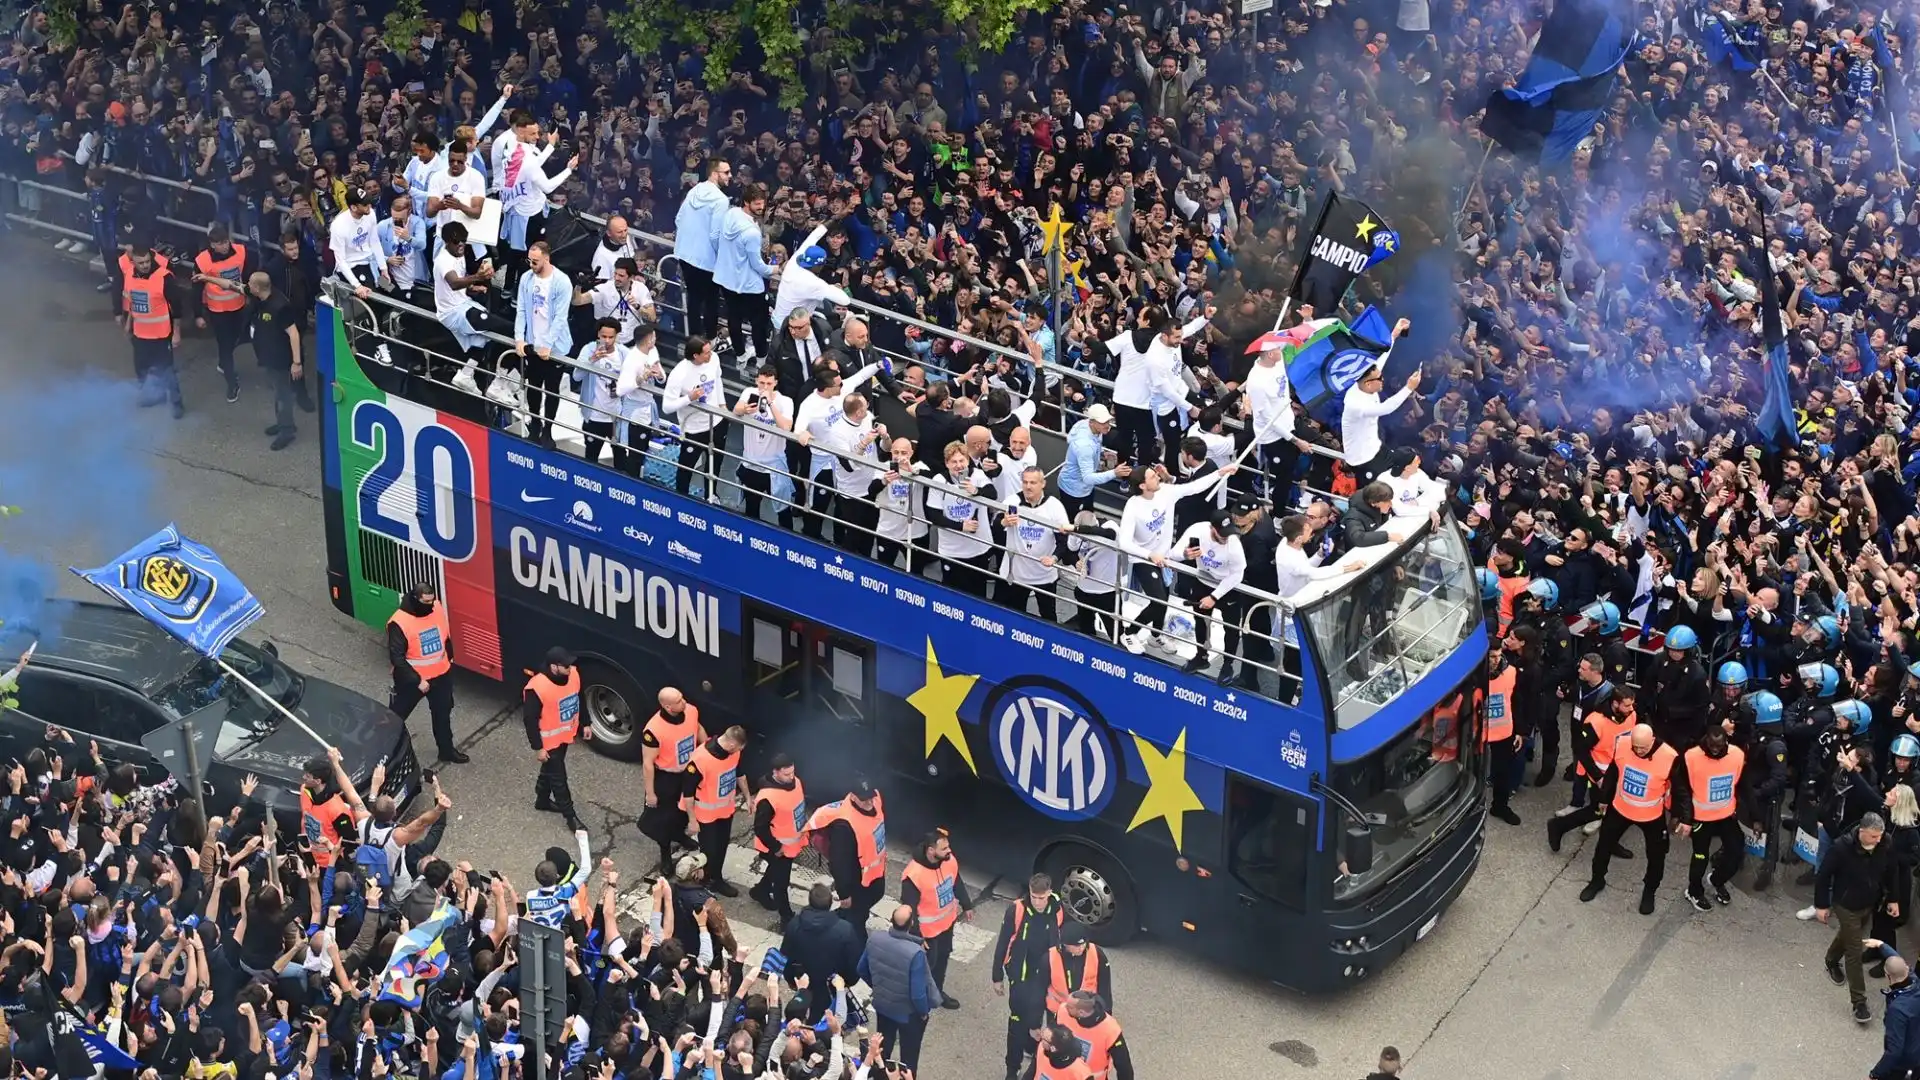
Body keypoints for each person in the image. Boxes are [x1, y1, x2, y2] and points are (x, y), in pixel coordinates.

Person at [1577, 724, 1688, 916]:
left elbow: (1681, 790)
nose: (1638, 751)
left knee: (1656, 857)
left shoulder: (1669, 757)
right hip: (1620, 809)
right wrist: (1604, 798)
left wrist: (1685, 818)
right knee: (1603, 846)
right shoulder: (1623, 744)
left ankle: (1649, 892)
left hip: (1651, 816)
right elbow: (1613, 772)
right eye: (1635, 747)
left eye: (1643, 748)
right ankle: (1597, 881)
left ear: (1652, 740)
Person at [1817, 813, 1903, 1025]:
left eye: (1880, 836)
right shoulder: (1841, 848)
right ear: (1862, 831)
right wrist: (1821, 905)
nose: (1878, 840)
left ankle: (1830, 960)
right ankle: (1859, 1002)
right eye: (1873, 836)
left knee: (1848, 934)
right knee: (1854, 950)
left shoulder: (1885, 844)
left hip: (1869, 902)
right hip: (1845, 904)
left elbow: (1892, 871)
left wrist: (1893, 899)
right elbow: (1824, 874)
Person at [995, 873, 1067, 1080]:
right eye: (1034, 897)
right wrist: (997, 976)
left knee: (1046, 1020)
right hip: (1022, 977)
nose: (1037, 902)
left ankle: (1034, 1050)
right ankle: (1012, 1068)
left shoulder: (1058, 910)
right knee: (1017, 1024)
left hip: (1047, 977)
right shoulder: (1017, 910)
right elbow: (1002, 944)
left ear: (1050, 893)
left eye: (1041, 898)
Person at [385, 582, 466, 764]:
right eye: (426, 601)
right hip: (413, 681)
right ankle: (384, 753)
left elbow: (444, 633)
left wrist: (449, 656)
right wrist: (417, 680)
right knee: (395, 718)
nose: (430, 605)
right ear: (415, 599)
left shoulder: (436, 607)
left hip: (441, 675)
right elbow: (397, 658)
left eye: (431, 600)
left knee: (442, 715)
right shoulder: (399, 622)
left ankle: (446, 751)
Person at [857, 905, 937, 1074]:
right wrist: (923, 1012)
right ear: (911, 924)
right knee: (909, 1058)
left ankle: (880, 1075)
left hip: (883, 1005)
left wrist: (877, 986)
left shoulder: (875, 939)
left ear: (891, 921)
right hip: (907, 1013)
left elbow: (861, 968)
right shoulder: (916, 954)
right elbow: (917, 993)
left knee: (882, 1050)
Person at [900, 830, 974, 1009]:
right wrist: (917, 936)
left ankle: (937, 993)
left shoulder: (948, 861)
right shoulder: (914, 875)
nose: (949, 850)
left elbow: (956, 881)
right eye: (944, 848)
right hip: (927, 933)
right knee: (926, 967)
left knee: (942, 960)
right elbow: (909, 909)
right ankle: (918, 998)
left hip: (946, 925)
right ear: (931, 851)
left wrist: (967, 904)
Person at [511, 240, 576, 448]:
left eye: (536, 261)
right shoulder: (526, 279)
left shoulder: (562, 282)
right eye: (530, 261)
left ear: (547, 258)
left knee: (552, 388)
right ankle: (535, 423)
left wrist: (547, 344)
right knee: (533, 386)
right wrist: (519, 338)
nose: (531, 265)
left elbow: (560, 317)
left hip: (554, 347)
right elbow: (521, 309)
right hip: (532, 342)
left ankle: (548, 429)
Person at [114, 240, 189, 418]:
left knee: (167, 370)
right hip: (140, 334)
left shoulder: (164, 277)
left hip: (161, 334)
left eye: (148, 261)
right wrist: (128, 323)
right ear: (134, 262)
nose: (145, 265)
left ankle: (177, 403)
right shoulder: (130, 276)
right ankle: (157, 395)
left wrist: (176, 332)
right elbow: (133, 302)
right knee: (142, 368)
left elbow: (177, 306)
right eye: (141, 263)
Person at [1336, 318, 1415, 483]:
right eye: (1379, 378)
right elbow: (1387, 408)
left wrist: (1394, 334)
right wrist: (1409, 387)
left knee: (1401, 476)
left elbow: (1381, 359)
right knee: (1375, 494)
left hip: (1376, 447)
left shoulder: (1368, 381)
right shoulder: (1356, 404)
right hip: (1362, 459)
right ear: (1368, 383)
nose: (1383, 379)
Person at [808, 778, 888, 934]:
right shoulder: (844, 826)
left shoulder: (875, 800)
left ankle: (839, 921)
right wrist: (844, 894)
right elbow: (839, 863)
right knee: (855, 919)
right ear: (852, 797)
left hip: (874, 875)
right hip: (856, 881)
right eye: (864, 799)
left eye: (870, 797)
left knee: (859, 911)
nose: (869, 802)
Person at [1679, 724, 1746, 910]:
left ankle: (1717, 880)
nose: (1715, 750)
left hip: (1726, 815)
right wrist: (1684, 818)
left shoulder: (1737, 755)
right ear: (1705, 741)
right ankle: (1693, 891)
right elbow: (1681, 788)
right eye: (1711, 745)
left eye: (1719, 746)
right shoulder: (1691, 756)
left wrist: (1755, 817)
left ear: (1726, 742)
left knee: (1736, 851)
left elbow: (1741, 783)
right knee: (1700, 856)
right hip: (1701, 818)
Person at [641, 686, 706, 877]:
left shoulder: (691, 711)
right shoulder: (653, 730)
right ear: (668, 707)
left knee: (684, 811)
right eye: (678, 701)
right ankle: (665, 853)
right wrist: (650, 792)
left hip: (688, 772)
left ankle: (679, 835)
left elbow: (698, 728)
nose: (684, 701)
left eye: (682, 697)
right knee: (664, 818)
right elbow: (647, 763)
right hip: (667, 777)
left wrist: (705, 749)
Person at [523, 646, 588, 833]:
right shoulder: (536, 687)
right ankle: (571, 818)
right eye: (565, 666)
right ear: (554, 667)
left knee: (550, 769)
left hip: (565, 735)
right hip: (548, 742)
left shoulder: (573, 674)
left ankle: (542, 800)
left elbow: (579, 697)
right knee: (559, 779)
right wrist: (538, 748)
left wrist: (586, 722)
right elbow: (530, 720)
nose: (570, 668)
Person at [779, 883, 864, 1021]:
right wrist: (846, 982)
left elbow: (786, 955)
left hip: (803, 979)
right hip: (830, 984)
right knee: (825, 1018)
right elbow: (853, 962)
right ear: (830, 903)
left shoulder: (795, 924)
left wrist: (791, 978)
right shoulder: (845, 930)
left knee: (802, 1013)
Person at [681, 724, 748, 897]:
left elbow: (739, 773)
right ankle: (704, 881)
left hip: (725, 810)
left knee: (721, 846)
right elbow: (687, 793)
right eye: (739, 748)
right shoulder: (700, 760)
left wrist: (748, 797)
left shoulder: (734, 753)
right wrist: (692, 820)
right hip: (706, 815)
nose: (740, 751)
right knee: (709, 850)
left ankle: (716, 878)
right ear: (732, 745)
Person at [192, 222, 256, 402]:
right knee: (225, 346)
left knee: (237, 339)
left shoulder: (241, 252)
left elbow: (250, 272)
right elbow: (195, 289)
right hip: (218, 311)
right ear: (212, 244)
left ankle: (223, 363)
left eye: (226, 242)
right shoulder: (202, 261)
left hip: (239, 306)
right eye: (220, 243)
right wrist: (198, 314)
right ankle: (231, 383)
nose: (224, 246)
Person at [714, 183, 776, 361]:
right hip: (749, 285)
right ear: (746, 202)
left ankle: (740, 355)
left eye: (762, 203)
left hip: (727, 279)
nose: (761, 207)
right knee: (758, 324)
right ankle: (761, 359)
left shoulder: (730, 214)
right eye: (757, 204)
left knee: (734, 318)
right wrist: (775, 268)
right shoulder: (751, 232)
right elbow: (759, 266)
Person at [673, 157, 732, 340]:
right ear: (715, 174)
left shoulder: (695, 189)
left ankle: (694, 338)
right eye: (726, 172)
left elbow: (678, 219)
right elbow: (715, 235)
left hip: (685, 254)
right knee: (711, 301)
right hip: (706, 260)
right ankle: (710, 340)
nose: (730, 176)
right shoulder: (721, 200)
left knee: (694, 299)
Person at [244, 271, 302, 451]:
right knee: (278, 393)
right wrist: (207, 278)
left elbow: (293, 333)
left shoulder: (279, 306)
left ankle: (287, 431)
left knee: (282, 396)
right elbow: (233, 286)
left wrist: (296, 362)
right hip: (268, 356)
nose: (247, 286)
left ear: (258, 288)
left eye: (250, 284)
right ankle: (284, 423)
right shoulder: (261, 296)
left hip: (280, 359)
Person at [663, 335, 725, 496]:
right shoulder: (679, 373)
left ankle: (711, 495)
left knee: (714, 465)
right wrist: (689, 398)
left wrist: (722, 406)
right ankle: (681, 498)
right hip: (693, 429)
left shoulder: (714, 359)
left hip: (716, 423)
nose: (710, 355)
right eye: (706, 353)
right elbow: (667, 407)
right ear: (695, 355)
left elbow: (718, 380)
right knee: (686, 468)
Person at [750, 753, 807, 926]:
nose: (791, 777)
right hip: (775, 847)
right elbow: (760, 827)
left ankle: (760, 890)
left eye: (792, 772)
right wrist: (776, 847)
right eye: (786, 774)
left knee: (776, 872)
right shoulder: (768, 798)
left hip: (789, 844)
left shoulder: (795, 782)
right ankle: (786, 918)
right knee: (781, 883)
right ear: (775, 772)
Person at [1055, 404, 1130, 519]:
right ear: (1092, 422)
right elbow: (1088, 478)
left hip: (1084, 488)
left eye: (1108, 421)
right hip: (1074, 491)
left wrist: (1101, 453)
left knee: (1088, 513)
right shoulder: (1084, 446)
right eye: (1102, 422)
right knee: (1073, 522)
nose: (1107, 425)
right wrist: (1114, 473)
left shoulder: (1086, 426)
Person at [1864, 936, 1920, 1079]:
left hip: (1904, 1062)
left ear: (1887, 975)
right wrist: (1881, 945)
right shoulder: (1915, 981)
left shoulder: (1898, 1010)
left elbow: (1894, 1051)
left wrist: (1875, 1074)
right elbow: (1897, 960)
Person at [1054, 991, 1132, 1080]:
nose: (1065, 1006)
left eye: (1070, 1007)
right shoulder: (1062, 1012)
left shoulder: (1110, 1029)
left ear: (1081, 1013)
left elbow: (1124, 1067)